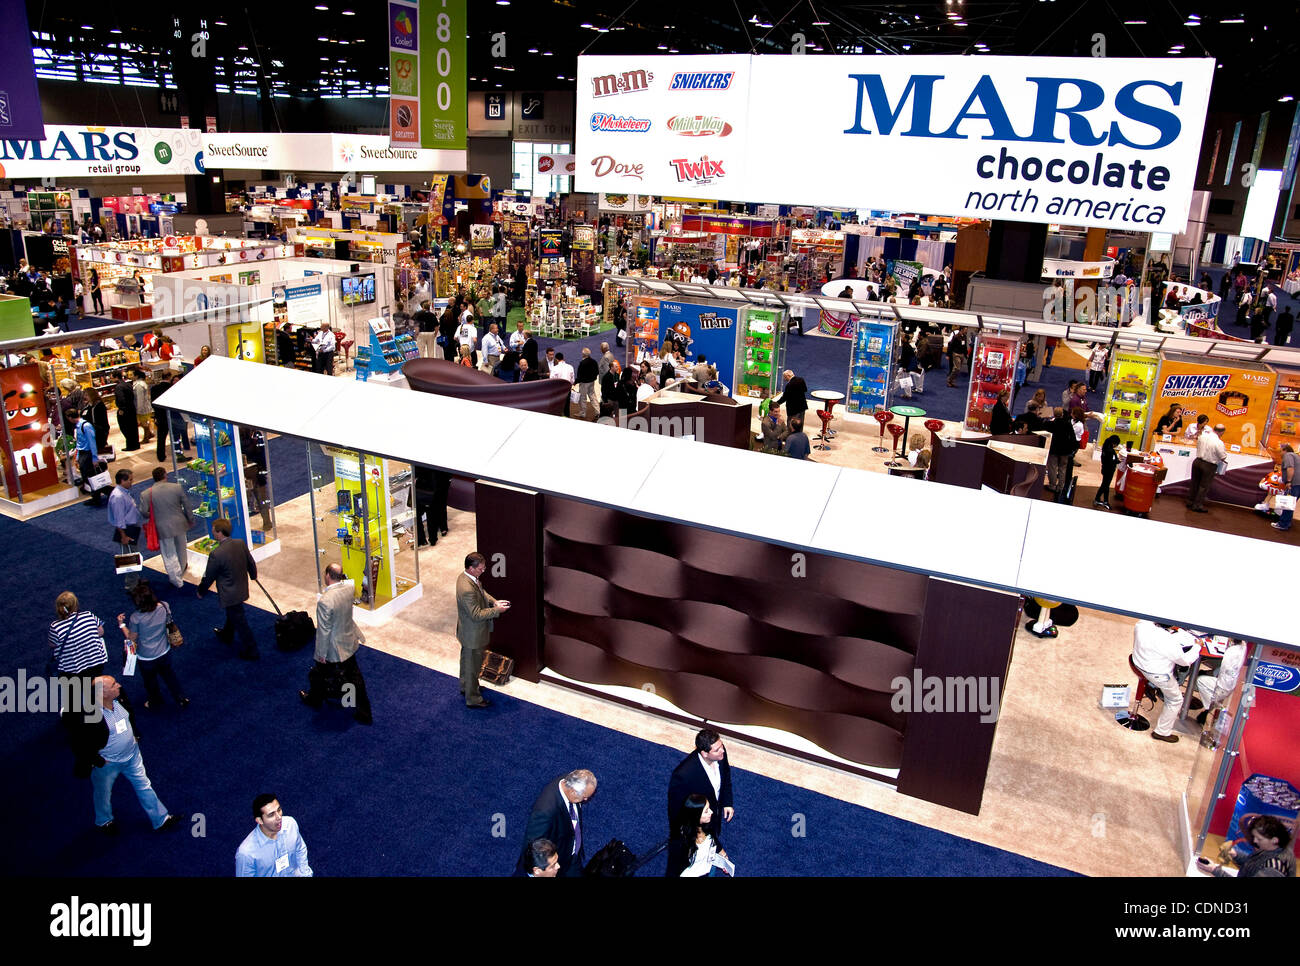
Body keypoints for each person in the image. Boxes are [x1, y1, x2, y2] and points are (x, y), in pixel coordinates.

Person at [63, 675, 183, 834]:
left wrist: (135, 734)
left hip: (132, 755)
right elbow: (78, 743)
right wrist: (97, 761)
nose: (119, 685)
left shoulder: (120, 697)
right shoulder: (88, 715)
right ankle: (103, 821)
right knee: (103, 793)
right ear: (103, 693)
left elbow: (129, 714)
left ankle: (161, 819)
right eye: (114, 685)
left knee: (144, 786)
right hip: (108, 763)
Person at [299, 563, 373, 725]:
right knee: (354, 675)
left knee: (319, 673)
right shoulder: (349, 589)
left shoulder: (325, 601)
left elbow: (324, 631)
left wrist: (321, 654)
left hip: (334, 647)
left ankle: (314, 699)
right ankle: (363, 710)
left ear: (327, 576)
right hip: (348, 638)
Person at [666, 729, 734, 877]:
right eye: (717, 750)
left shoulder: (720, 752)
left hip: (707, 822)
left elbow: (726, 776)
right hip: (692, 833)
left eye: (721, 745)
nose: (722, 750)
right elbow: (675, 812)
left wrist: (727, 802)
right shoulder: (683, 776)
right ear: (705, 753)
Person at [117, 583, 188, 710]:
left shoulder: (136, 618)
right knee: (169, 675)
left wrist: (122, 625)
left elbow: (131, 640)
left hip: (146, 657)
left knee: (150, 681)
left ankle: (156, 701)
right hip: (164, 651)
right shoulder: (164, 606)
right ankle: (180, 697)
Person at [197, 517, 260, 660]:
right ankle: (226, 634)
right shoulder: (239, 543)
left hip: (230, 594)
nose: (212, 532)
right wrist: (253, 575)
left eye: (213, 530)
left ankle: (252, 650)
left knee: (240, 621)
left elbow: (209, 576)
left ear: (219, 532)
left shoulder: (216, 554)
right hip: (241, 587)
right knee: (234, 614)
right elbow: (251, 562)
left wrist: (201, 590)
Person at [515, 770, 597, 878]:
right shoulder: (545, 812)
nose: (586, 799)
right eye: (584, 797)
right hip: (557, 861)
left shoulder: (569, 781)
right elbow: (532, 845)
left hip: (570, 855)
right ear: (573, 791)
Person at [455, 552, 510, 708]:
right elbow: (476, 614)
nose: (483, 571)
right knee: (473, 666)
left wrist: (494, 602)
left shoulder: (468, 578)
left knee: (467, 662)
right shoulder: (466, 588)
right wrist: (497, 610)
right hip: (473, 634)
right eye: (481, 569)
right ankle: (473, 698)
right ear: (471, 568)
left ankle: (467, 687)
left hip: (467, 632)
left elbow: (481, 593)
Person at [1131, 620, 1199, 743]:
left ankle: (1151, 685)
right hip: (1157, 674)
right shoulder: (1167, 640)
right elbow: (1185, 661)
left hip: (1138, 662)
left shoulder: (1141, 624)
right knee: (1175, 700)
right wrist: (1198, 646)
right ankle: (1162, 732)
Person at [139, 467, 195, 589]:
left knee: (169, 553)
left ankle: (176, 580)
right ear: (165, 475)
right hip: (180, 523)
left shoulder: (146, 493)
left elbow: (143, 512)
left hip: (162, 527)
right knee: (181, 548)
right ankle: (181, 572)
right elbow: (187, 506)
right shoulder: (176, 487)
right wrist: (190, 520)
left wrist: (154, 514)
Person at [235, 794, 313, 877]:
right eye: (271, 815)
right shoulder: (246, 854)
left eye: (279, 810)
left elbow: (300, 850)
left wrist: (306, 874)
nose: (279, 817)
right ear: (259, 820)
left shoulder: (290, 824)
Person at [49, 591, 109, 691]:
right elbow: (101, 632)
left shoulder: (55, 626)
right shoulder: (89, 615)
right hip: (95, 663)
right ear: (76, 604)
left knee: (73, 696)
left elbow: (52, 644)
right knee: (94, 690)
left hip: (72, 669)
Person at [1206, 816, 1295, 878]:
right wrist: (1235, 854)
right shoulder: (1272, 848)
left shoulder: (1274, 868)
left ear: (1274, 840)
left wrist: (1214, 870)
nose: (1255, 841)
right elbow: (1254, 865)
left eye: (1259, 839)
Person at [671, 794, 733, 877]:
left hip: (708, 868)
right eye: (706, 811)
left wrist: (724, 858)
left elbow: (714, 841)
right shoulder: (683, 842)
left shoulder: (708, 824)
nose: (711, 812)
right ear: (696, 816)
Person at [108, 469, 144, 591]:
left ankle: (135, 580)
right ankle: (131, 585)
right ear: (122, 481)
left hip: (131, 528)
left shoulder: (124, 492)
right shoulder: (118, 496)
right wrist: (123, 536)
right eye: (130, 480)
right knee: (131, 558)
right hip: (126, 531)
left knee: (134, 555)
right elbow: (119, 519)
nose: (131, 482)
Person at [1186, 422, 1227, 513]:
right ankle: (1197, 505)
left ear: (1213, 429)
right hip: (1209, 465)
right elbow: (1223, 456)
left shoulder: (1202, 436)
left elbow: (1197, 446)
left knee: (1194, 483)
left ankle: (1190, 501)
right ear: (1222, 432)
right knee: (1203, 486)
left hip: (1197, 462)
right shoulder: (1219, 442)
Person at [1046, 408, 1075, 493]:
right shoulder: (1068, 424)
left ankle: (1052, 486)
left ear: (1054, 415)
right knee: (1063, 468)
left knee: (1052, 467)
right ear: (1062, 414)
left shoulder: (1051, 424)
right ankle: (1061, 487)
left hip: (1054, 449)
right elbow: (1073, 437)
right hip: (1065, 450)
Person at [1272, 442, 1300, 531]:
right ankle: (1286, 522)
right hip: (1298, 483)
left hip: (1295, 483)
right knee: (1291, 503)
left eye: (1280, 451)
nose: (1280, 453)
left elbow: (1290, 468)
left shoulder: (1288, 455)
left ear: (1285, 450)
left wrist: (1288, 481)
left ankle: (1283, 524)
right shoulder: (1295, 456)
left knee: (1288, 503)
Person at [113, 371, 139, 451]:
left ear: (116, 377)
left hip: (125, 410)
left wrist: (121, 409)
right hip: (132, 408)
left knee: (125, 427)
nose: (111, 379)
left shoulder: (118, 387)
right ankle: (135, 444)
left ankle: (130, 445)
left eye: (112, 377)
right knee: (133, 427)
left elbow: (121, 399)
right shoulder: (128, 384)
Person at [1094, 435, 1122, 510]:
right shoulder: (1109, 451)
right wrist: (1118, 461)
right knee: (1105, 486)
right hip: (1108, 470)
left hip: (1106, 469)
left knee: (1105, 485)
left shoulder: (1106, 447)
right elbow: (1111, 462)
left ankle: (1099, 499)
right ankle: (1102, 500)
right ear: (1114, 443)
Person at [574, 347, 598, 418]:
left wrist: (575, 382)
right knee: (593, 396)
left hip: (584, 383)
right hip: (591, 382)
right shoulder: (594, 361)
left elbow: (579, 375)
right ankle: (598, 411)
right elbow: (597, 371)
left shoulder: (582, 363)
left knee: (582, 398)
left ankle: (583, 413)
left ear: (583, 354)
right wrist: (593, 378)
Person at [550, 351, 575, 418]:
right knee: (567, 406)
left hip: (558, 390)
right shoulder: (570, 367)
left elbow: (552, 380)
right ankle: (567, 417)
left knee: (558, 405)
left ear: (556, 359)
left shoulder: (554, 368)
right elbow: (572, 380)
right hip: (567, 389)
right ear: (563, 358)